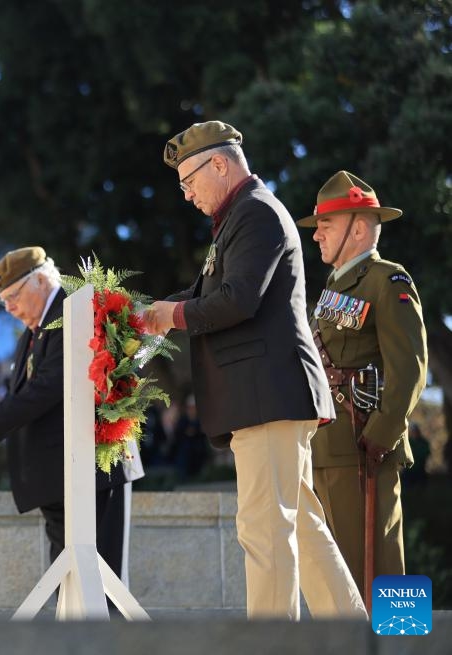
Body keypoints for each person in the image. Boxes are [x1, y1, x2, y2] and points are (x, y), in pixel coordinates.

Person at [143, 122, 365, 620]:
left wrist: (168, 316)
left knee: (266, 531)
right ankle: (353, 634)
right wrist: (151, 312)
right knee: (300, 528)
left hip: (267, 396)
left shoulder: (255, 212)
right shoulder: (241, 216)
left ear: (218, 164)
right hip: (269, 395)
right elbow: (207, 296)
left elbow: (237, 300)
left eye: (189, 182)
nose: (187, 195)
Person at [0, 247, 138, 578]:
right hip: (60, 479)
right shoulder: (34, 333)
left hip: (92, 470)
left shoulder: (73, 312)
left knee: (98, 590)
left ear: (41, 280)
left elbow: (47, 389)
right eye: (3, 301)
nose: (9, 307)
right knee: (71, 591)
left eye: (13, 295)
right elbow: (24, 399)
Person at [297, 170, 428, 583]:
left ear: (358, 227)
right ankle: (350, 648)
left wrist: (381, 435)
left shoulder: (387, 281)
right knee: (338, 579)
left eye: (325, 225)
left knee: (381, 566)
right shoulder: (334, 287)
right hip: (326, 446)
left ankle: (403, 643)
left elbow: (410, 366)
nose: (316, 235)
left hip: (363, 447)